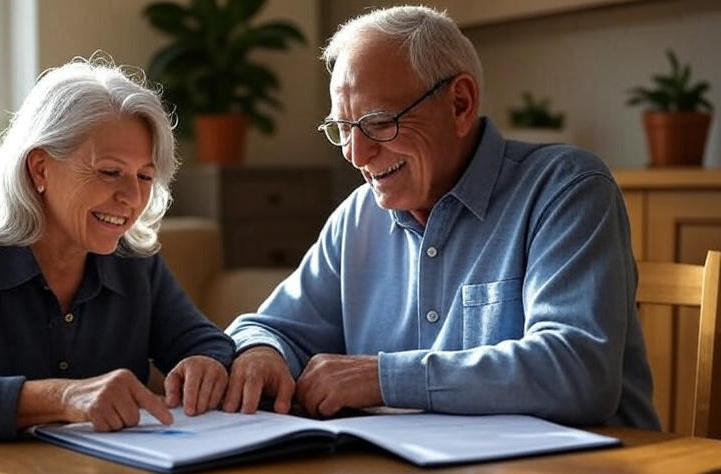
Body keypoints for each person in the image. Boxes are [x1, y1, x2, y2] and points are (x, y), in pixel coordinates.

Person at [223, 6, 660, 430]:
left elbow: (577, 372)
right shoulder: (357, 216)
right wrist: (261, 352)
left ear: (461, 104)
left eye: (378, 122)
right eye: (343, 128)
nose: (357, 154)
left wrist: (382, 378)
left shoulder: (566, 189)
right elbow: (270, 327)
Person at [0, 58, 234, 440]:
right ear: (40, 169)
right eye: (109, 171)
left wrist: (205, 364)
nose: (133, 197)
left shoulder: (133, 262)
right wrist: (62, 397)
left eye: (145, 176)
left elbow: (207, 345)